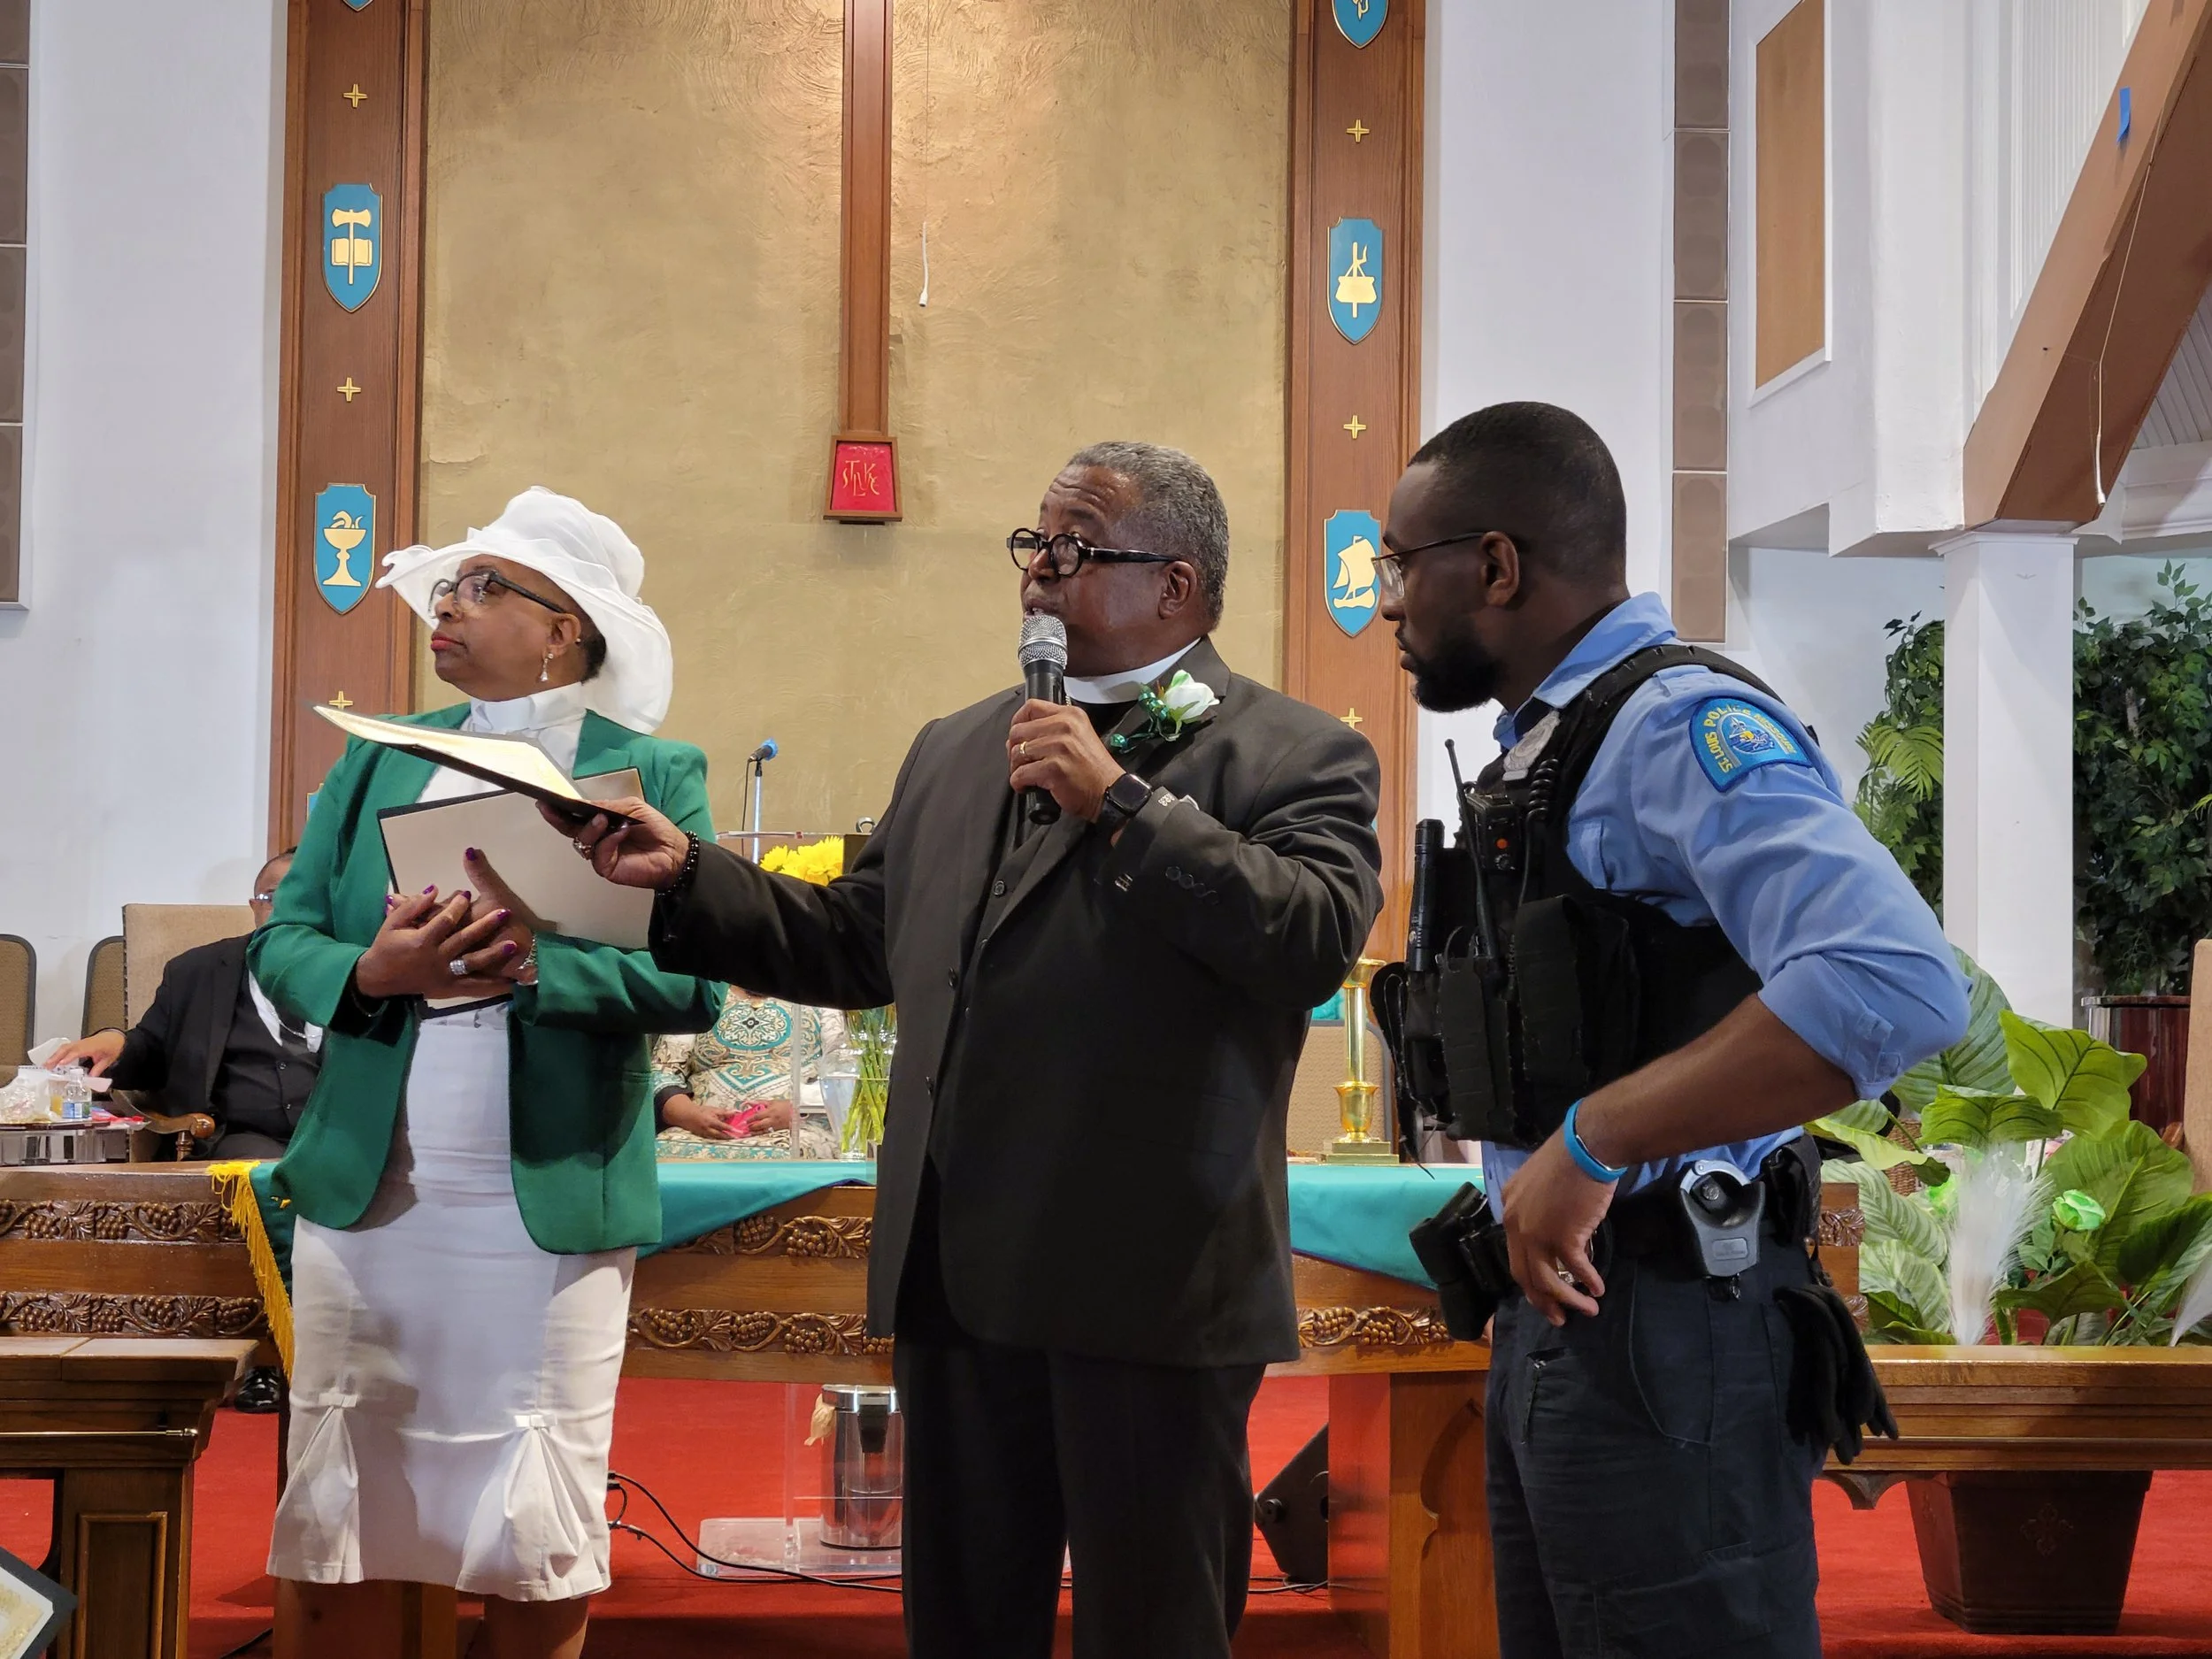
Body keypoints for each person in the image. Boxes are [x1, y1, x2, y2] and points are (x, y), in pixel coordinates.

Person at [563, 441, 1384, 1658]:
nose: (1037, 571)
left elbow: (1307, 939)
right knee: (963, 1621)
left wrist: (1123, 805)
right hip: (957, 1270)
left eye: (1074, 546)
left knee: (1153, 1626)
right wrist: (686, 874)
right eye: (1033, 544)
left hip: (1149, 1279)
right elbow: (858, 941)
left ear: (1177, 583)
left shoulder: (1291, 750)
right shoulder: (957, 746)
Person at [1375, 402, 1970, 1657]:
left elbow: (1895, 977)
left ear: (1496, 566)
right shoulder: (1553, 746)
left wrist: (1595, 1140)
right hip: (1576, 1322)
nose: (1387, 601)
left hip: (1674, 1327)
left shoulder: (1672, 728)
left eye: (1401, 562)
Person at [250, 487, 721, 1659]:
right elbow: (282, 938)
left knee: (535, 1515)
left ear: (566, 626)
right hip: (372, 1193)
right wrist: (374, 970)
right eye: (447, 588)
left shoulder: (649, 771)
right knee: (343, 1502)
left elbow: (693, 985)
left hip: (545, 1199)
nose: (446, 608)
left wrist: (537, 969)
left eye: (481, 587)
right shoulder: (380, 758)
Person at [50, 849, 320, 1162]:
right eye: (272, 897)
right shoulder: (197, 971)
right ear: (254, 907)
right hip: (237, 1141)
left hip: (336, 1138)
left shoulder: (359, 974)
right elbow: (152, 1051)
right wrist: (118, 1043)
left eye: (305, 898)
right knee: (267, 1169)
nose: (287, 908)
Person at [650, 990, 844, 1158]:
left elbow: (845, 1070)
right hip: (697, 1131)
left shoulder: (821, 999)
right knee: (656, 1156)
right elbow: (661, 1072)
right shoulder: (702, 997)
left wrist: (798, 1109)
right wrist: (689, 1115)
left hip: (797, 1129)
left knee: (785, 1157)